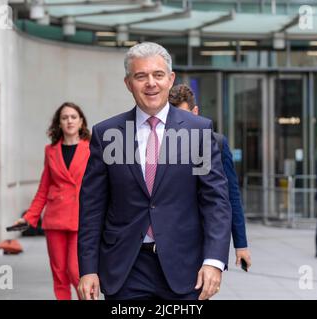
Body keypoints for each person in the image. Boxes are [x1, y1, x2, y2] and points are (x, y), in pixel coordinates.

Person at [77, 42, 232, 300]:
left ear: (170, 79)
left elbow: (215, 201)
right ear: (128, 83)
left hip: (185, 269)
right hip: (125, 269)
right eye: (141, 76)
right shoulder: (106, 134)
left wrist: (214, 260)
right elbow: (92, 207)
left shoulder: (198, 132)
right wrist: (88, 269)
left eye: (158, 75)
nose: (151, 83)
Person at [169, 84, 251, 270]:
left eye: (184, 115)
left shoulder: (217, 143)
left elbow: (231, 196)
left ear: (195, 111)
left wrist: (241, 244)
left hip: (204, 241)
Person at [13, 102, 91, 299]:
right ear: (59, 123)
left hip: (80, 219)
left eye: (73, 117)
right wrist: (30, 217)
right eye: (64, 118)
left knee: (76, 272)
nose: (69, 121)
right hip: (55, 219)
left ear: (81, 122)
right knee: (59, 274)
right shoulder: (51, 151)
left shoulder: (91, 149)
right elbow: (44, 187)